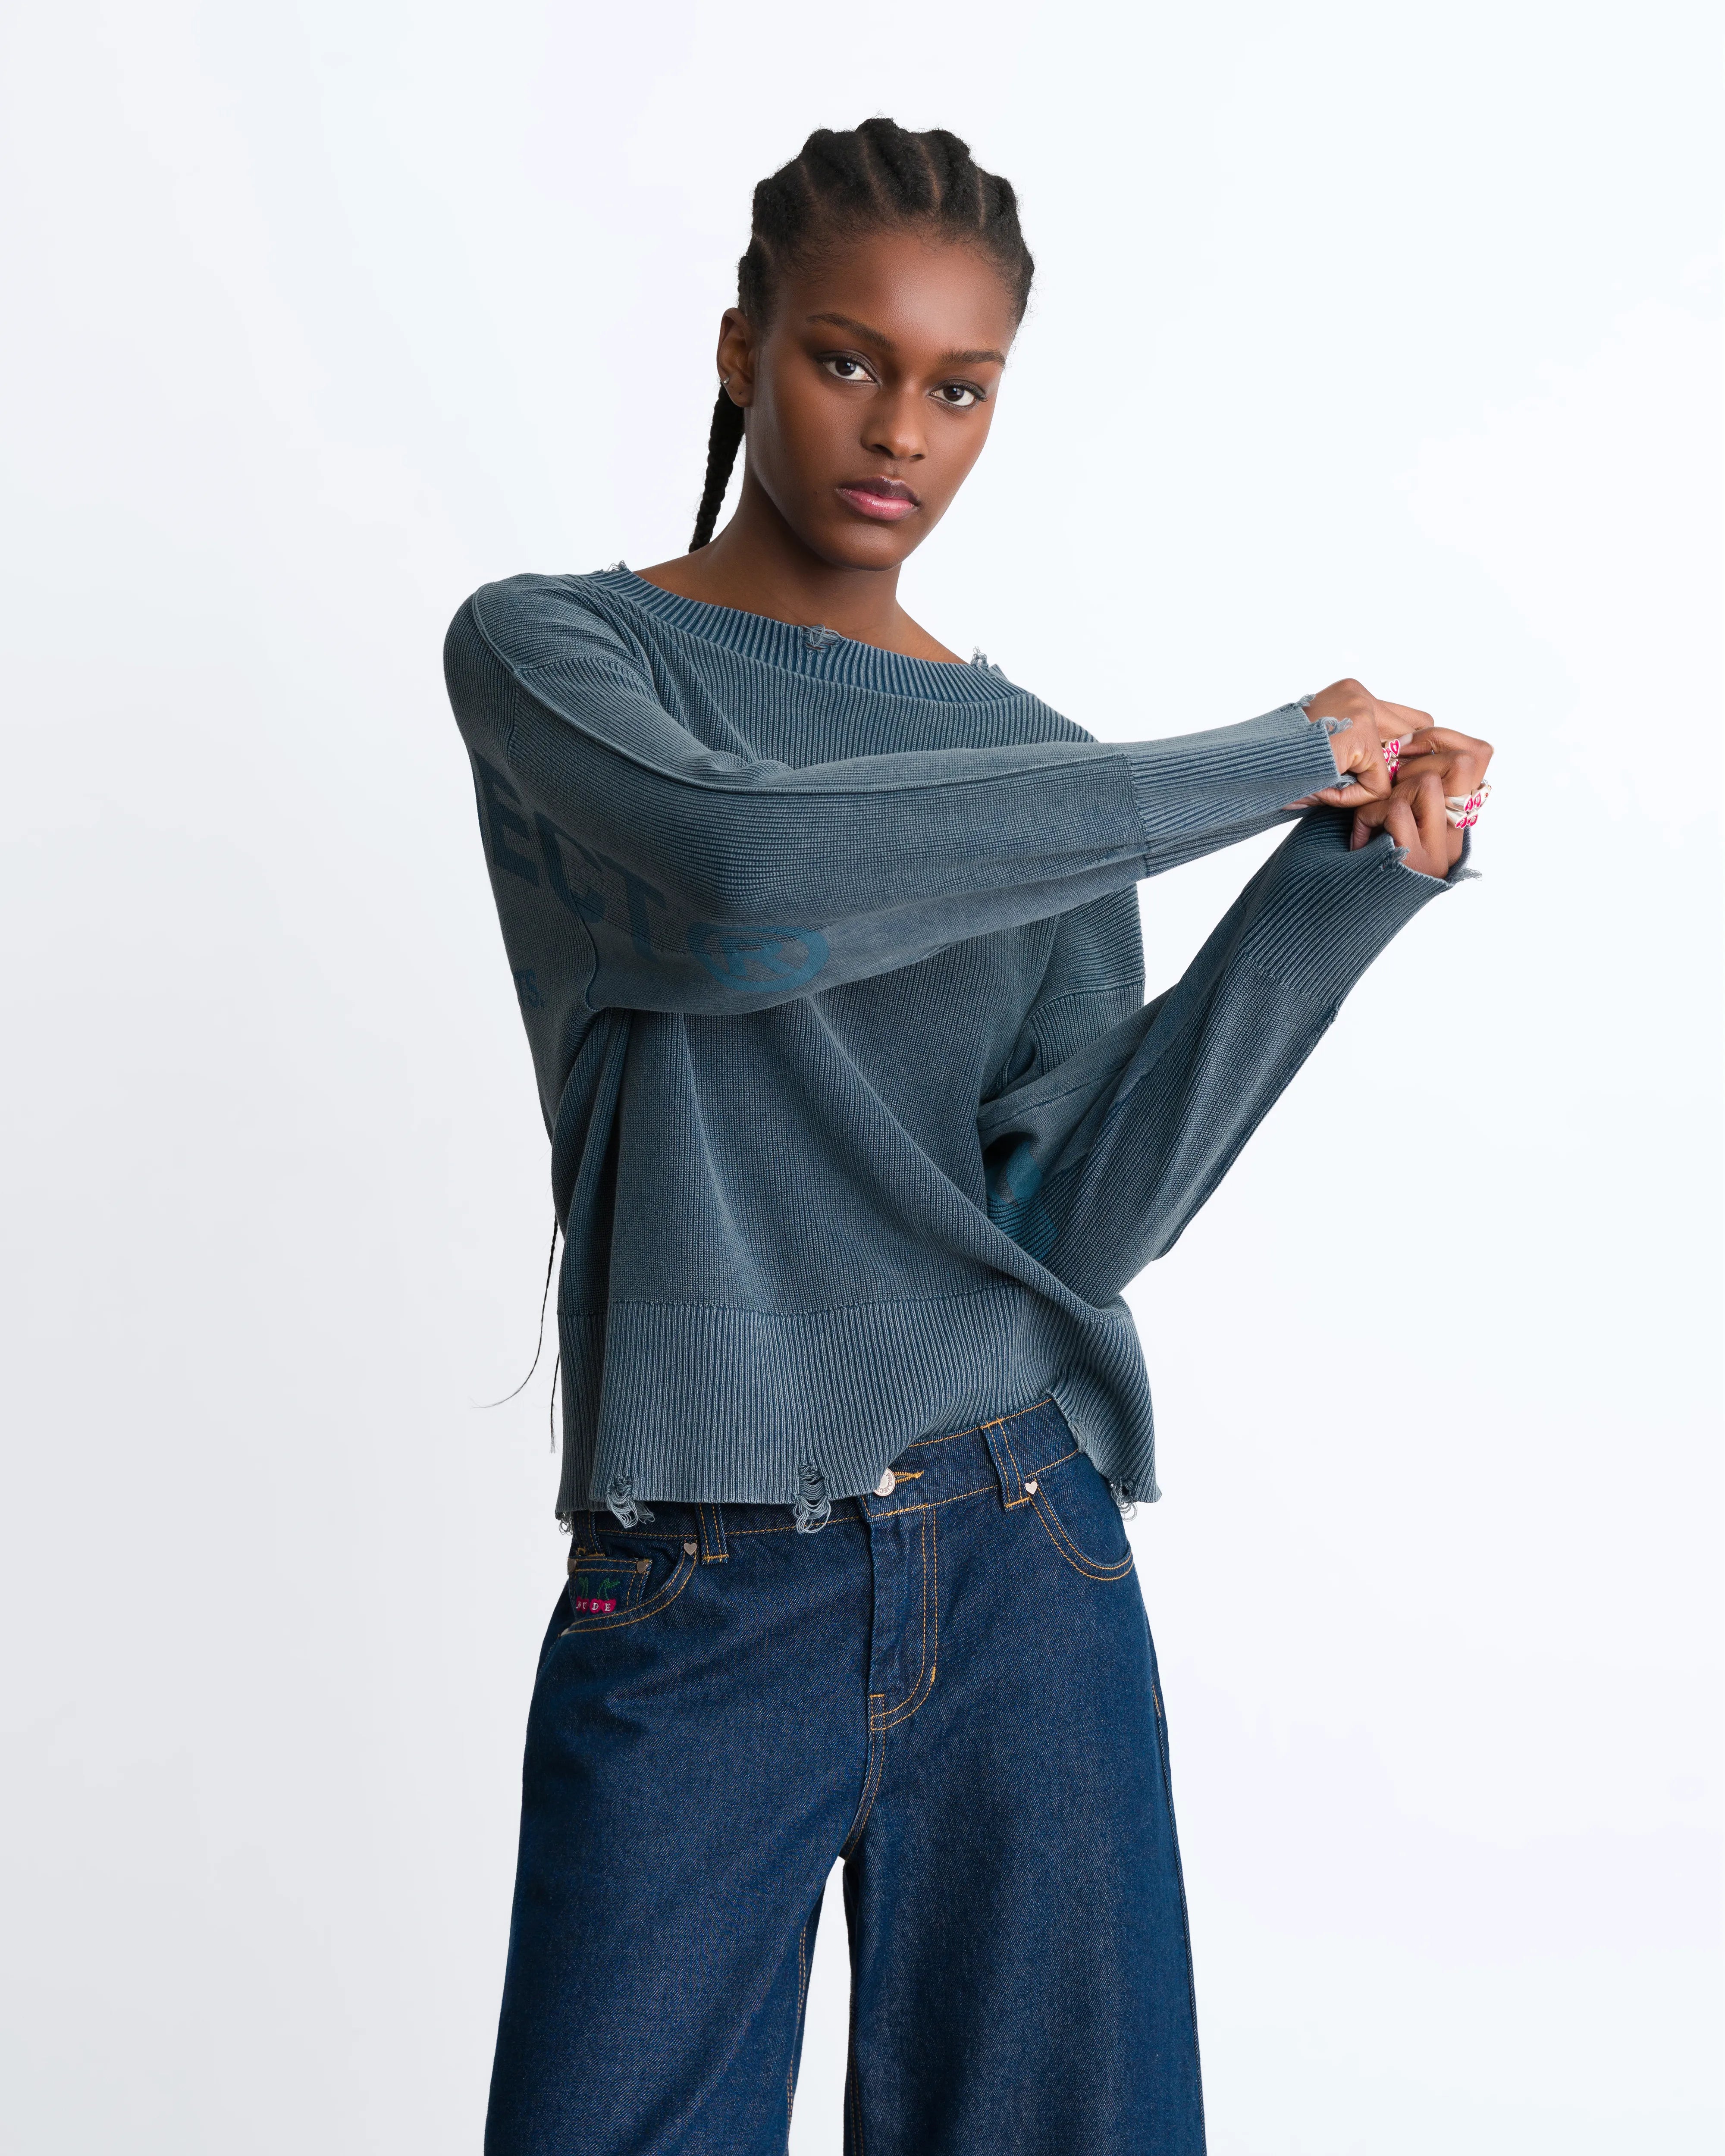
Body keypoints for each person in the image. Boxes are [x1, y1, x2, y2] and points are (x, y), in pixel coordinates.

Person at [444, 118, 1492, 2156]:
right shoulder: (566, 656)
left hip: (1025, 1549)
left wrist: (1337, 886)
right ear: (741, 347)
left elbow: (1073, 1219)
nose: (897, 431)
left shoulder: (1036, 770)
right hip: (702, 1571)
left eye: (959, 387)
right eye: (847, 359)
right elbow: (745, 871)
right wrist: (1262, 760)